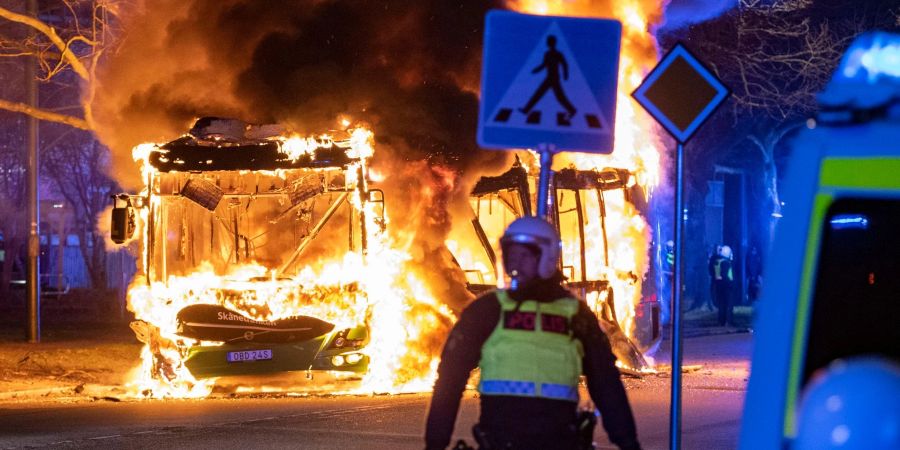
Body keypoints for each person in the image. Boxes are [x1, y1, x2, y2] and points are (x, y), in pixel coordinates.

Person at [425, 217, 641, 450]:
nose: (515, 262)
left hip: (560, 442)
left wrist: (628, 442)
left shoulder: (575, 314)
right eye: (511, 254)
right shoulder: (487, 311)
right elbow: (449, 380)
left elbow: (606, 384)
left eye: (524, 255)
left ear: (546, 256)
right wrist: (435, 443)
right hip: (501, 442)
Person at [710, 245, 734, 326]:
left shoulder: (717, 261)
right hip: (726, 286)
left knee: (721, 305)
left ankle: (721, 321)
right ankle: (728, 321)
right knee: (729, 304)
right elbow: (726, 276)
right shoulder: (726, 263)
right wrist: (731, 285)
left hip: (718, 285)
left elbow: (713, 272)